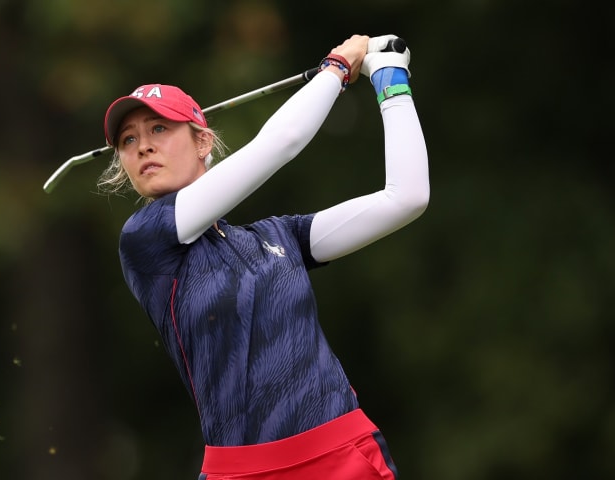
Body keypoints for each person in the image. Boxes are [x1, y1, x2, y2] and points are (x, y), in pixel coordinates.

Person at [99, 34, 429, 479]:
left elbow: (406, 199)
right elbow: (281, 143)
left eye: (159, 128)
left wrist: (390, 79)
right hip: (239, 472)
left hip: (340, 457)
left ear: (202, 143)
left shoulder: (280, 237)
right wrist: (337, 68)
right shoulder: (144, 240)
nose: (142, 146)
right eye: (127, 139)